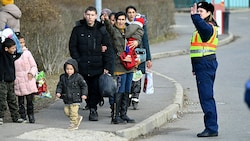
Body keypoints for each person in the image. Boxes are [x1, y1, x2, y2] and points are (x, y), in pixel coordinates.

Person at [69, 6, 113, 121]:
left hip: (97, 65)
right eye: (88, 15)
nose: (90, 17)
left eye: (92, 15)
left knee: (95, 88)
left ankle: (93, 109)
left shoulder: (101, 29)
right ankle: (88, 103)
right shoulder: (77, 29)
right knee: (85, 87)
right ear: (84, 15)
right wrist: (77, 60)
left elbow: (108, 48)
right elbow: (72, 46)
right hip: (82, 65)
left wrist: (107, 66)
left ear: (96, 16)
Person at [103, 11, 139, 124]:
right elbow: (109, 28)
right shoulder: (114, 31)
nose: (121, 22)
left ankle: (124, 114)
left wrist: (137, 41)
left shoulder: (128, 31)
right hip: (119, 65)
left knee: (127, 90)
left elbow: (140, 32)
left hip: (130, 66)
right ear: (115, 20)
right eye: (119, 19)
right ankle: (116, 115)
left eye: (123, 19)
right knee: (119, 90)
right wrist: (106, 20)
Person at [190, 2, 219, 137]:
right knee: (205, 97)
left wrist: (195, 16)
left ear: (208, 13)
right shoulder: (205, 27)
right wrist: (194, 67)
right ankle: (211, 126)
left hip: (205, 65)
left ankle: (211, 128)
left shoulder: (208, 28)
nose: (199, 13)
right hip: (203, 65)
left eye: (201, 11)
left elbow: (202, 27)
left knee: (206, 97)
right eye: (198, 11)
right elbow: (197, 50)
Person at [125, 5, 152, 110]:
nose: (131, 14)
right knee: (128, 74)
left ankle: (135, 96)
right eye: (129, 12)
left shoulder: (141, 24)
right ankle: (129, 94)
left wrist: (149, 58)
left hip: (139, 53)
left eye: (133, 12)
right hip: (127, 53)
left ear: (136, 13)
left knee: (137, 74)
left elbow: (145, 41)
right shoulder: (124, 24)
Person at [55, 58, 88, 130]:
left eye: (71, 69)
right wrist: (58, 92)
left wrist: (84, 94)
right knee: (67, 112)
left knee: (73, 112)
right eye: (67, 69)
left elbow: (84, 86)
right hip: (67, 98)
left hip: (76, 98)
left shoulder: (78, 77)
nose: (69, 71)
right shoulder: (63, 77)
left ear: (75, 69)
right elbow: (60, 86)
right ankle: (77, 118)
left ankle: (73, 124)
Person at [0, 38, 24, 125]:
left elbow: (19, 52)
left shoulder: (13, 55)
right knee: (2, 100)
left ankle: (16, 117)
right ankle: (0, 116)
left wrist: (16, 39)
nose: (14, 50)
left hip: (11, 80)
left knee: (12, 99)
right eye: (12, 48)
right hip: (2, 81)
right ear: (6, 48)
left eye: (15, 48)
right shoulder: (2, 54)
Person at [14, 34, 38, 123]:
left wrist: (32, 73)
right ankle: (22, 115)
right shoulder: (13, 54)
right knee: (20, 101)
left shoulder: (27, 53)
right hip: (18, 80)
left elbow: (34, 65)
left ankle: (31, 115)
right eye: (19, 42)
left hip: (28, 79)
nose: (21, 44)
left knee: (29, 100)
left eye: (23, 42)